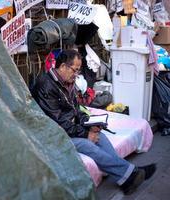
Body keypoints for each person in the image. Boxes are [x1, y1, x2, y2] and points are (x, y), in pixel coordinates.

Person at [31, 49, 156, 194]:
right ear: (63, 66)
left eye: (78, 71)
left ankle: (126, 176)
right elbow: (57, 123)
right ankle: (130, 172)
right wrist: (85, 133)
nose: (76, 74)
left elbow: (77, 111)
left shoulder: (67, 82)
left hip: (69, 128)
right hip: (53, 134)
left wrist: (90, 125)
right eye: (75, 70)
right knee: (88, 144)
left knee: (100, 136)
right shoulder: (45, 85)